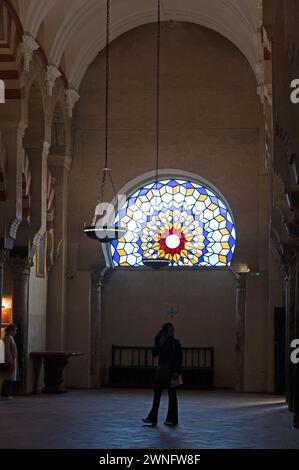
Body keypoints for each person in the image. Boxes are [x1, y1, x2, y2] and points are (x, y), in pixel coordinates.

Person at [143, 322, 182, 427]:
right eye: (170, 330)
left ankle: (172, 419)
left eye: (173, 330)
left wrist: (177, 372)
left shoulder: (176, 343)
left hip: (173, 372)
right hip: (162, 371)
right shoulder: (161, 341)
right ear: (165, 331)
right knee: (157, 395)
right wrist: (160, 342)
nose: (173, 332)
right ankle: (152, 418)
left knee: (172, 395)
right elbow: (154, 353)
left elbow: (179, 359)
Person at [1, 323, 18, 399]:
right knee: (8, 377)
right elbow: (7, 351)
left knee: (9, 377)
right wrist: (11, 362)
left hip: (11, 360)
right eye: (15, 330)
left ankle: (7, 394)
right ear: (11, 330)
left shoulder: (9, 337)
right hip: (9, 361)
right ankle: (5, 394)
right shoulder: (8, 338)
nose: (15, 332)